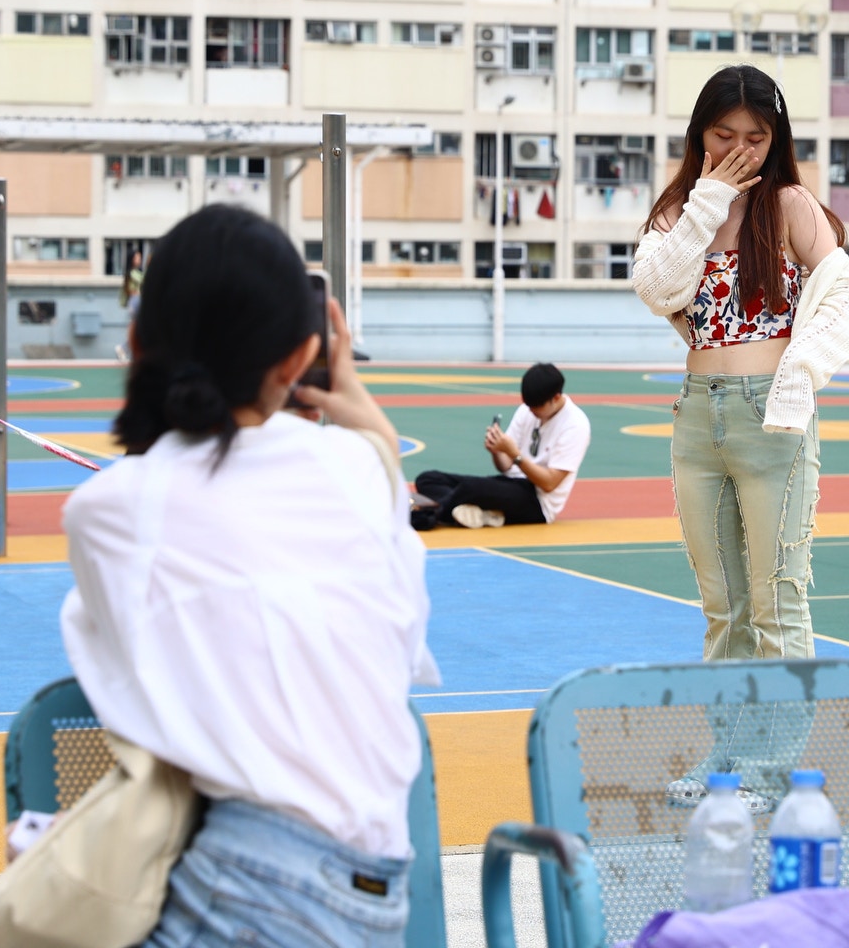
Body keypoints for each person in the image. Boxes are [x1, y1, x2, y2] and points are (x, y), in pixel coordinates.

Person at [59, 204, 436, 946]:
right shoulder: (360, 471)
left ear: (134, 342)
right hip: (378, 888)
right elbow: (403, 629)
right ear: (300, 359)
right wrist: (366, 421)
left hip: (242, 880)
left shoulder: (108, 510)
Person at [632, 65, 849, 663]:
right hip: (697, 418)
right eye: (723, 135)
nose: (738, 150)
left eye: (755, 137)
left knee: (777, 607)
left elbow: (843, 297)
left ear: (777, 139)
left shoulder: (790, 205)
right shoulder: (680, 213)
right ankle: (731, 754)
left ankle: (776, 757)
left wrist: (801, 373)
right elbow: (657, 288)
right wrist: (707, 202)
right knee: (723, 612)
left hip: (772, 415)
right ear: (698, 136)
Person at [410, 362, 592, 528]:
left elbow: (549, 483)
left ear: (556, 397)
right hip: (511, 483)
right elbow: (506, 467)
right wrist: (497, 451)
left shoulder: (575, 424)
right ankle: (477, 514)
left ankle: (430, 515)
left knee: (471, 489)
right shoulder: (527, 410)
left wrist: (515, 454)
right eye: (528, 405)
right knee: (428, 479)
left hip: (538, 502)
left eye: (536, 406)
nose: (531, 411)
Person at [120, 246, 145, 316]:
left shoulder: (138, 272)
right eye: (137, 258)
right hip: (135, 299)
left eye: (140, 258)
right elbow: (129, 289)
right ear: (131, 259)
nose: (139, 259)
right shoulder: (131, 273)